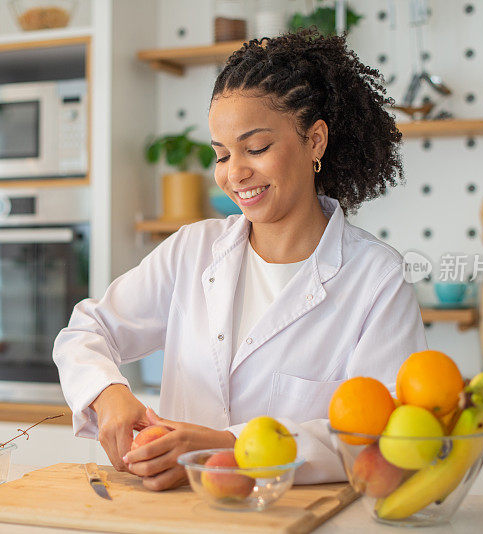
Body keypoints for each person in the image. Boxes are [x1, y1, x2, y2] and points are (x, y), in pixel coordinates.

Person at [53, 29, 427, 491]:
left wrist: (226, 446)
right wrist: (109, 394)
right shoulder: (192, 250)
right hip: (179, 515)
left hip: (295, 519)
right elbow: (87, 330)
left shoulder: (375, 278)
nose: (235, 173)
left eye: (256, 149)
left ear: (315, 141)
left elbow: (379, 435)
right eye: (222, 154)